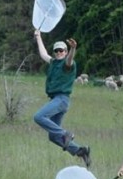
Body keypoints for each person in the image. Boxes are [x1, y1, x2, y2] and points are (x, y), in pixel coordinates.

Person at [33, 31, 90, 167]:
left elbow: (70, 59)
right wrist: (38, 37)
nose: (59, 52)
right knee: (53, 136)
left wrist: (73, 48)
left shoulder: (67, 64)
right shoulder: (53, 62)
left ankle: (66, 134)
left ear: (65, 51)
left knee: (39, 117)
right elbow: (43, 54)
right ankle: (81, 151)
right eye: (56, 51)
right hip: (55, 100)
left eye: (61, 50)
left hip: (61, 99)